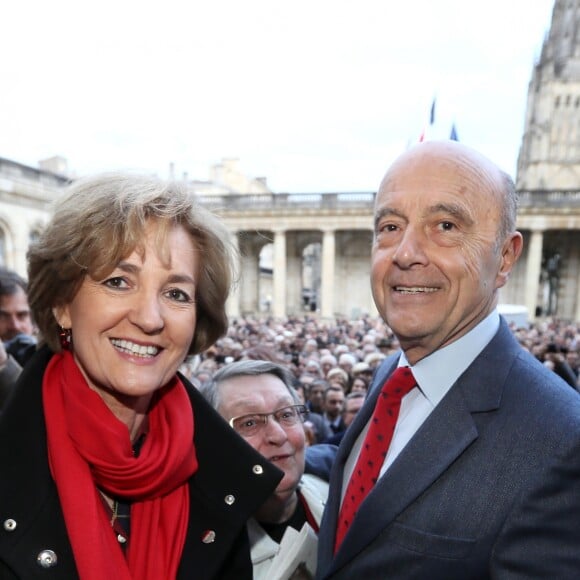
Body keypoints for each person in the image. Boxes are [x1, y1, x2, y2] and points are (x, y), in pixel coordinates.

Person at [316, 140, 580, 578]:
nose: (404, 253)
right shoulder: (392, 376)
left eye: (445, 225)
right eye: (390, 226)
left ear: (505, 258)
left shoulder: (562, 442)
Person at [0, 173, 282, 579]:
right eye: (118, 282)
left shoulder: (224, 478)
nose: (150, 319)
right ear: (62, 305)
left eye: (176, 294)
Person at [201, 359, 329, 579]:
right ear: (214, 443)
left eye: (287, 414)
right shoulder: (201, 556)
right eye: (249, 422)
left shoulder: (341, 496)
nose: (278, 435)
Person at [0, 267, 36, 410]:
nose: (14, 325)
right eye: (3, 316)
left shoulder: (45, 360)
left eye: (22, 315)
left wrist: (4, 368)